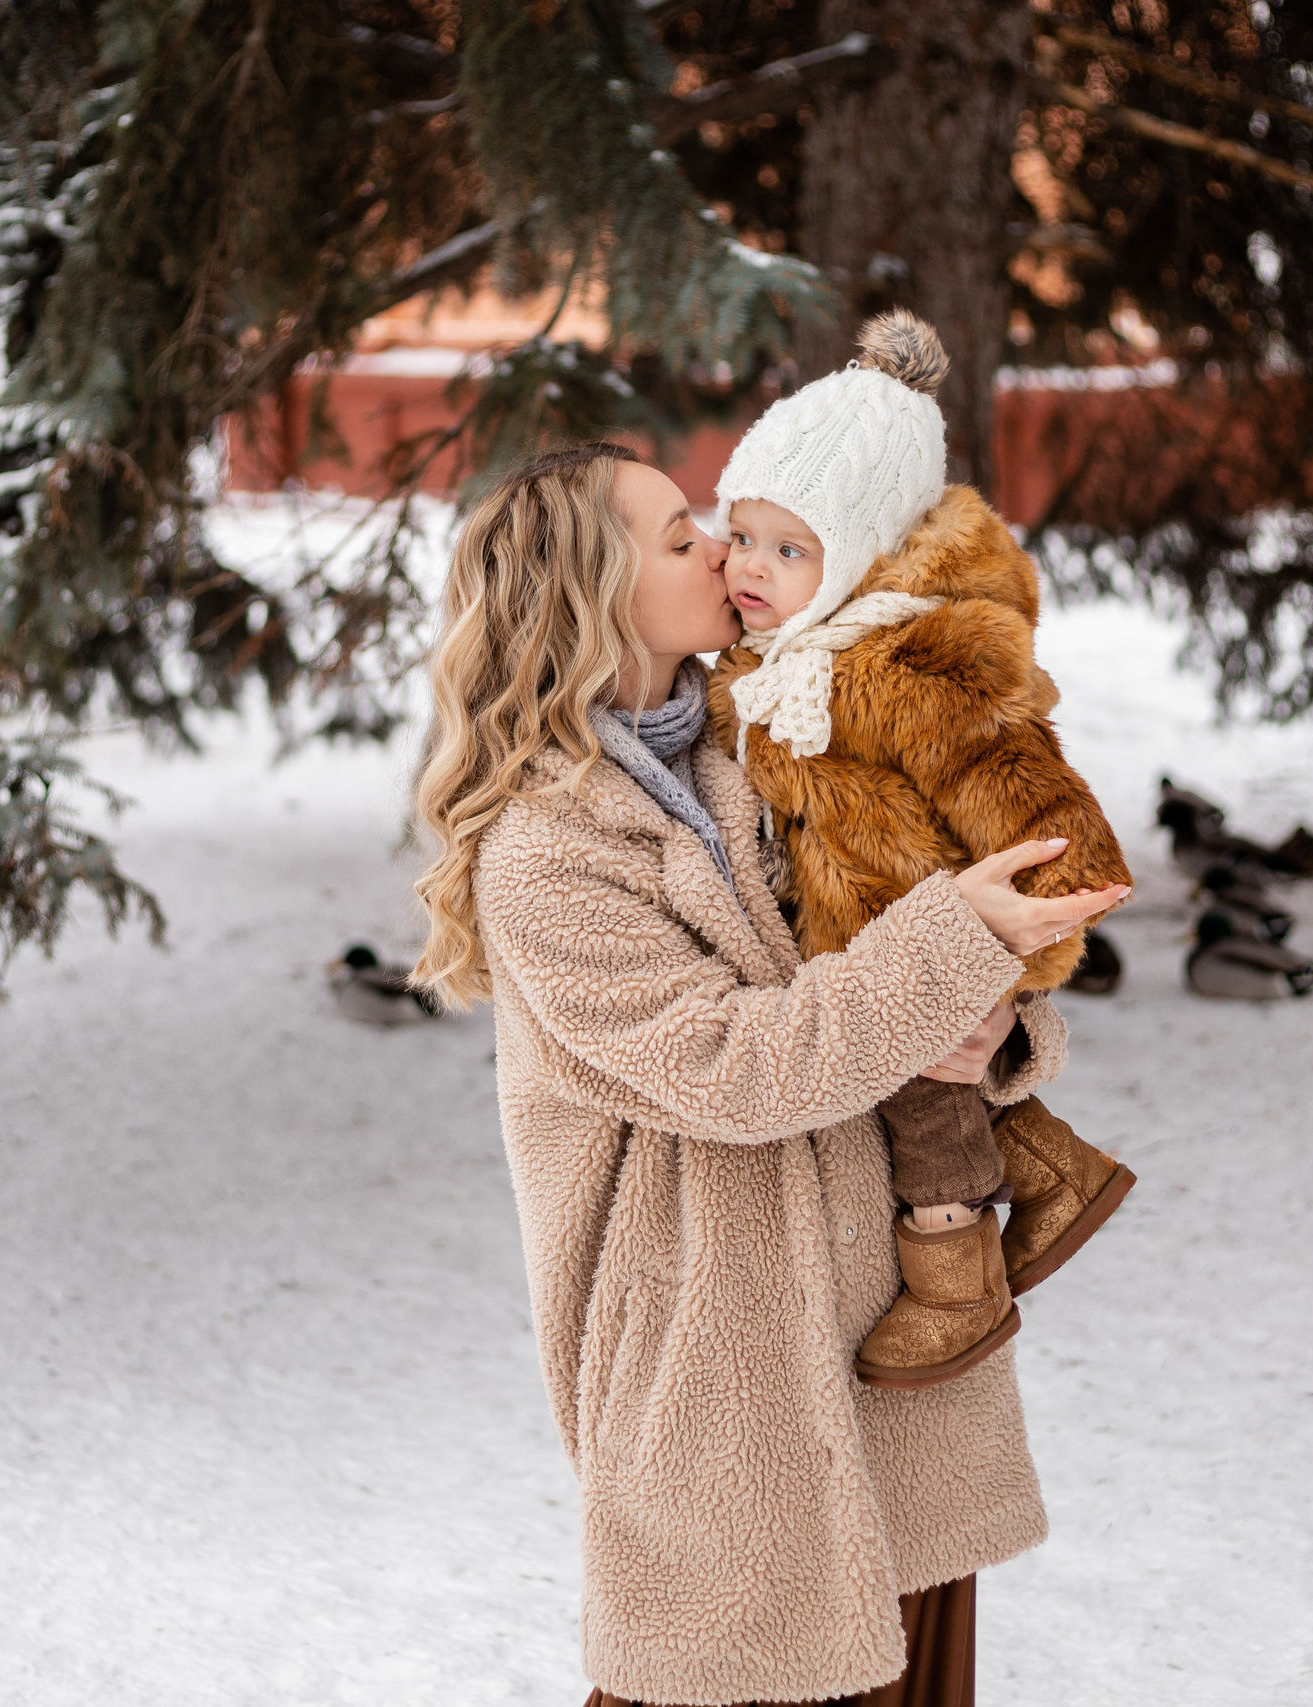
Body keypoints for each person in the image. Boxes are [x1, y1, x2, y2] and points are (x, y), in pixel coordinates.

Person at [410, 442, 1128, 1706]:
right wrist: (950, 948)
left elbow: (894, 948)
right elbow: (731, 1068)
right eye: (678, 535)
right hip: (719, 1377)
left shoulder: (767, 743)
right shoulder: (545, 849)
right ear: (591, 590)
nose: (721, 551)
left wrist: (992, 1033)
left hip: (889, 1353)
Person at [708, 311, 1138, 1390]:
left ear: (858, 556)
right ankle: (1053, 1172)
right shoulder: (773, 659)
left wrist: (1006, 974)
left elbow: (1043, 819)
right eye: (743, 535)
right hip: (858, 946)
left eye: (791, 548)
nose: (751, 568)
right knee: (927, 1085)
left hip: (916, 942)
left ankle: (955, 1283)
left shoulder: (907, 664)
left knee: (926, 1108)